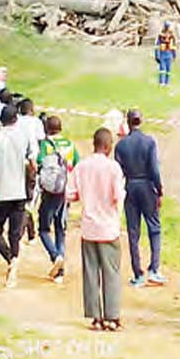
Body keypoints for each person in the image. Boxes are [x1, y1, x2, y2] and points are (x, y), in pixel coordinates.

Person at [67, 128, 125, 332]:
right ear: (109, 146)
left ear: (94, 144)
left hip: (89, 227)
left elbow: (70, 194)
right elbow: (118, 196)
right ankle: (112, 315)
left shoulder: (82, 166)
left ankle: (95, 316)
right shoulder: (113, 168)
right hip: (108, 227)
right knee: (112, 272)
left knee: (91, 272)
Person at [0, 105, 36, 288]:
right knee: (14, 233)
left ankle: (10, 259)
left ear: (1, 120)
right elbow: (32, 165)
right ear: (16, 119)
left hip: (2, 192)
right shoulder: (24, 138)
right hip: (20, 192)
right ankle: (14, 262)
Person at [114, 109, 166, 287]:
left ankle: (138, 273)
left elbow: (118, 171)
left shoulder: (121, 145)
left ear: (128, 122)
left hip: (130, 186)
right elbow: (154, 169)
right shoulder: (149, 142)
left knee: (133, 231)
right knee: (154, 227)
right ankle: (154, 268)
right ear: (141, 121)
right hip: (147, 186)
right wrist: (159, 190)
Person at [37, 116, 80, 284]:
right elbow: (76, 163)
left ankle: (55, 256)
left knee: (43, 229)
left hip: (50, 192)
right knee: (61, 228)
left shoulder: (45, 145)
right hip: (65, 191)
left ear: (47, 128)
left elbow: (39, 162)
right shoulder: (69, 145)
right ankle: (60, 272)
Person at [18, 98, 45, 245]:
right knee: (29, 199)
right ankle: (25, 233)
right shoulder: (36, 122)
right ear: (31, 110)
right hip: (32, 164)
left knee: (22, 199)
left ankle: (29, 233)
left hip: (17, 164)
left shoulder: (16, 121)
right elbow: (41, 141)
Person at [155, 21, 177, 87]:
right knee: (162, 69)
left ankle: (167, 83)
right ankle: (161, 83)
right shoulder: (161, 36)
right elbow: (157, 46)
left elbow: (173, 46)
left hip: (169, 53)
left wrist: (174, 55)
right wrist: (157, 55)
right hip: (163, 53)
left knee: (168, 70)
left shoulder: (172, 36)